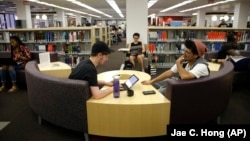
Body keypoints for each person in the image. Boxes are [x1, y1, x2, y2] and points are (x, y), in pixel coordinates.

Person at [141, 39, 210, 94]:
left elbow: (184, 76)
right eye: (184, 51)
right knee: (153, 83)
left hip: (189, 90)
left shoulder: (201, 66)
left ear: (196, 55)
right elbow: (169, 72)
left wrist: (177, 62)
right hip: (180, 82)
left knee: (159, 92)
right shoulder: (186, 60)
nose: (184, 54)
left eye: (187, 52)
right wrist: (152, 81)